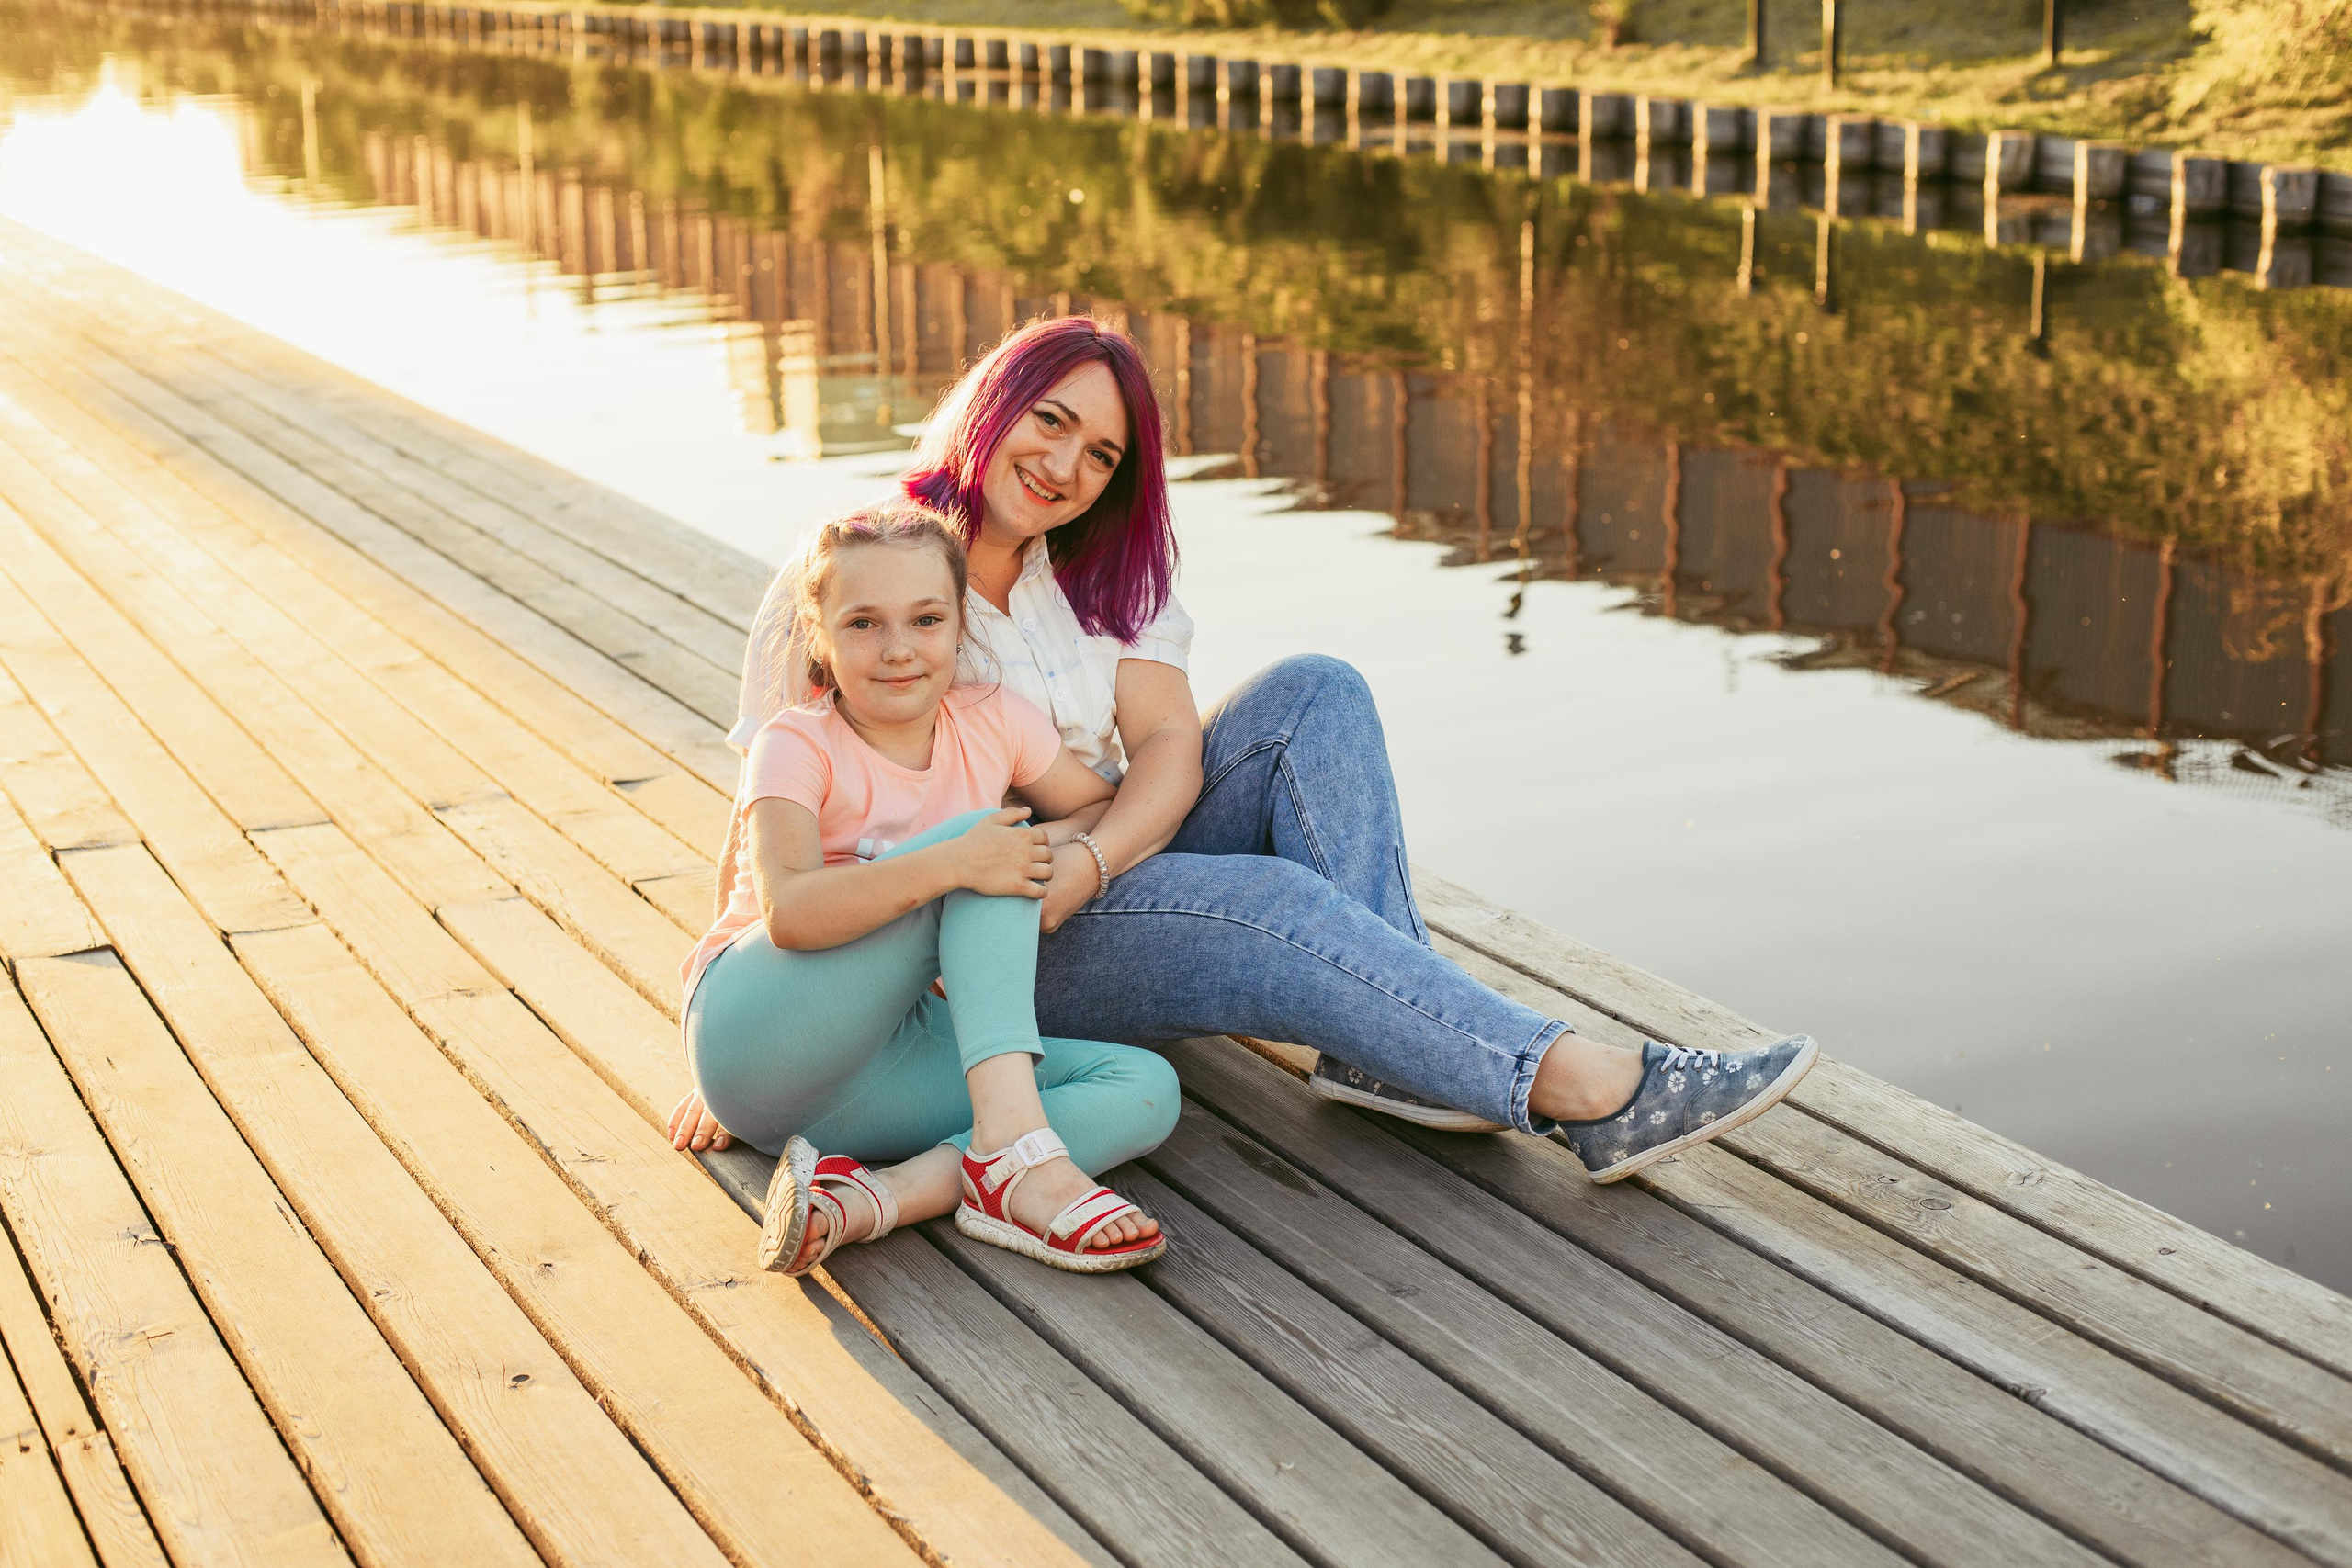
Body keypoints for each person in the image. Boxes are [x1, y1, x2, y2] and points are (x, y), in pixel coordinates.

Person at [672, 314, 1815, 1201]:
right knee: (1259, 898)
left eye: (1102, 452)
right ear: (995, 403)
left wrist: (1100, 862)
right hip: (967, 937)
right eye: (1051, 421)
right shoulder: (862, 575)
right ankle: (1575, 1084)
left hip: (1087, 869)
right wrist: (739, 1043)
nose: (1067, 464)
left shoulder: (1102, 578)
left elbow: (1171, 749)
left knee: (1314, 692)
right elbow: (772, 800)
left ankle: (1389, 1052)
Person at [677, 503, 1174, 1277]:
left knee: (1145, 1085)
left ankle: (880, 1198)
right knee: (988, 843)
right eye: (864, 624)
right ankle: (1020, 1155)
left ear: (959, 623)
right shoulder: (796, 744)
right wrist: (962, 860)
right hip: (757, 1038)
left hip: (878, 1075)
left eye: (926, 619)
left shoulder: (995, 721)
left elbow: (1099, 807)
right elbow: (790, 914)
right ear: (822, 636)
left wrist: (1024, 851)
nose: (899, 649)